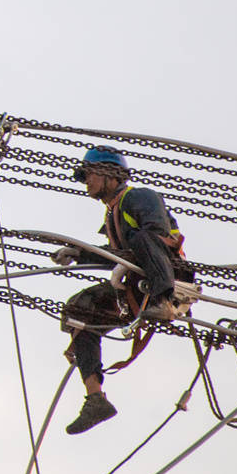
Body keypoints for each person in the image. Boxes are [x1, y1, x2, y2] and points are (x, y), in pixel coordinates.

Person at [54, 146, 191, 434]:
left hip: (169, 276)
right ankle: (96, 399)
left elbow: (156, 235)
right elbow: (114, 256)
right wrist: (78, 253)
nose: (86, 181)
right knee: (80, 308)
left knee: (144, 237)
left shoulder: (139, 197)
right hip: (137, 284)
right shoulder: (112, 213)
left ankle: (161, 298)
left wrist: (130, 264)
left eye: (89, 174)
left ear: (109, 173)